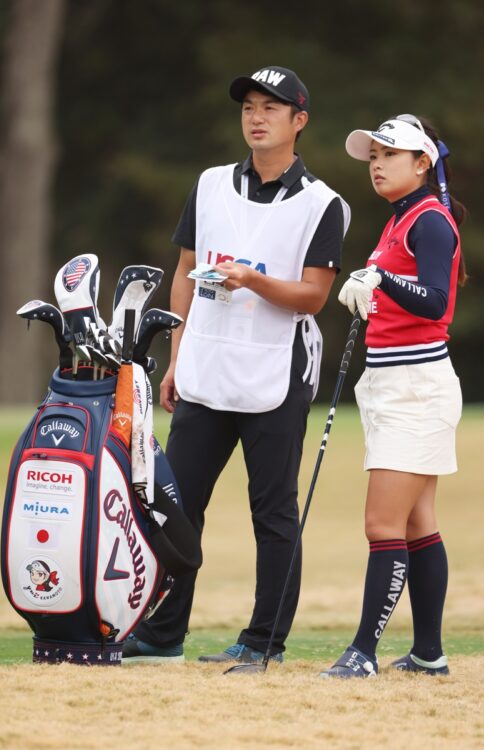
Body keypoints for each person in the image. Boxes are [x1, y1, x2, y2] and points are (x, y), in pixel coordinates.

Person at [122, 65, 350, 664]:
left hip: (278, 373)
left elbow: (313, 297)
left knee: (272, 512)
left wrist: (252, 279)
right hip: (205, 367)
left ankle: (263, 643)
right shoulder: (210, 183)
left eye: (271, 108)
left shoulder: (323, 204)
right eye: (248, 106)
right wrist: (177, 357)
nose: (256, 117)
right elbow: (184, 273)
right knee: (174, 504)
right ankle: (163, 634)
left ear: (299, 121)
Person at [320, 114, 467, 678]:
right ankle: (429, 655)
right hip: (394, 383)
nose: (377, 164)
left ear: (423, 162)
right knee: (416, 524)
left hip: (416, 387)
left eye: (391, 154)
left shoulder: (429, 220)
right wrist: (377, 284)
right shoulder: (400, 219)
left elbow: (432, 301)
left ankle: (362, 653)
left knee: (382, 525)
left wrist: (382, 282)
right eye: (374, 155)